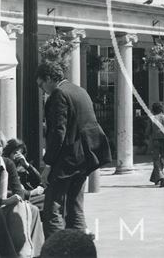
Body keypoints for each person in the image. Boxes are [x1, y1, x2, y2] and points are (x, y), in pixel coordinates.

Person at [37, 61, 111, 238]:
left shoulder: (59, 94)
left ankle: (57, 250)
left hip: (67, 159)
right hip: (85, 158)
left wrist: (48, 164)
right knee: (75, 203)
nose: (42, 90)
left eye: (41, 85)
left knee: (52, 207)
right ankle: (79, 246)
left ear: (49, 78)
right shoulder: (80, 91)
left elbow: (58, 133)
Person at [0, 130, 45, 258]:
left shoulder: (8, 164)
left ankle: (35, 253)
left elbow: (19, 194)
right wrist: (3, 201)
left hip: (1, 202)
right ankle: (11, 255)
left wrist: (8, 199)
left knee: (31, 209)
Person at [2, 139, 45, 209]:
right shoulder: (4, 168)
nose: (18, 156)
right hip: (15, 201)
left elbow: (39, 180)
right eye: (15, 153)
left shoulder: (21, 168)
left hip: (25, 199)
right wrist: (31, 193)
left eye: (20, 154)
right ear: (8, 153)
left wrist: (27, 165)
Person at [145, 102, 164, 187]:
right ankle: (156, 178)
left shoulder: (152, 118)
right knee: (161, 159)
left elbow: (147, 132)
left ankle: (162, 178)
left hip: (155, 141)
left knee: (156, 160)